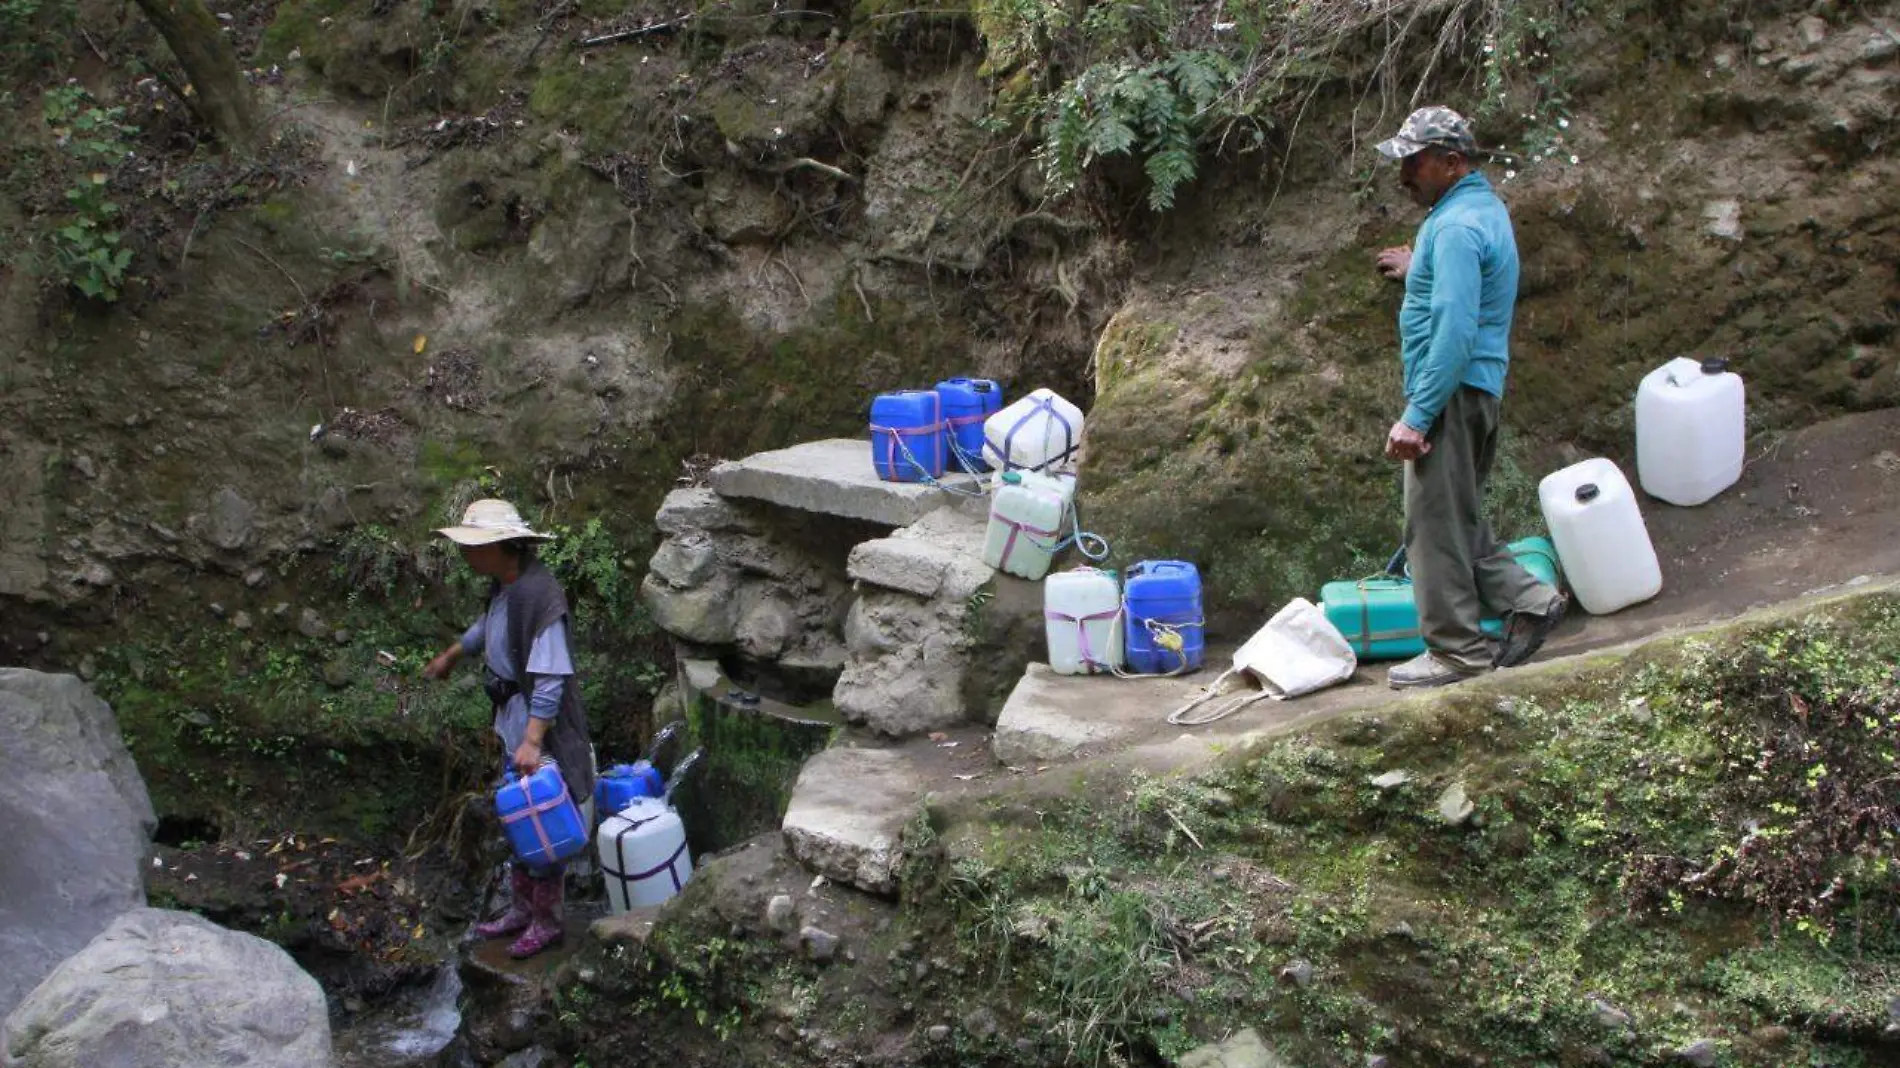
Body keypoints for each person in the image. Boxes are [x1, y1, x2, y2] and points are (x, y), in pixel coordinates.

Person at [1370, 105, 1567, 689]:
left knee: (1431, 524)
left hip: (1451, 393)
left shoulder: (1454, 228)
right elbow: (1467, 285)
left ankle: (1456, 652)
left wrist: (1417, 415)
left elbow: (1454, 330)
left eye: (1414, 163)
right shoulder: (1478, 209)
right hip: (1479, 389)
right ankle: (1529, 599)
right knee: (1460, 517)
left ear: (1451, 162)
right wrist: (1420, 268)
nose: (1403, 177)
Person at [421, 498, 595, 958]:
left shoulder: (541, 597)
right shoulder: (506, 586)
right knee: (519, 819)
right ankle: (520, 910)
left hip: (537, 727)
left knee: (543, 822)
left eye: (474, 546)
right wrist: (453, 655)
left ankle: (548, 921)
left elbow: (551, 675)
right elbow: (487, 626)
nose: (466, 555)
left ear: (502, 546)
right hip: (512, 719)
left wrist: (534, 740)